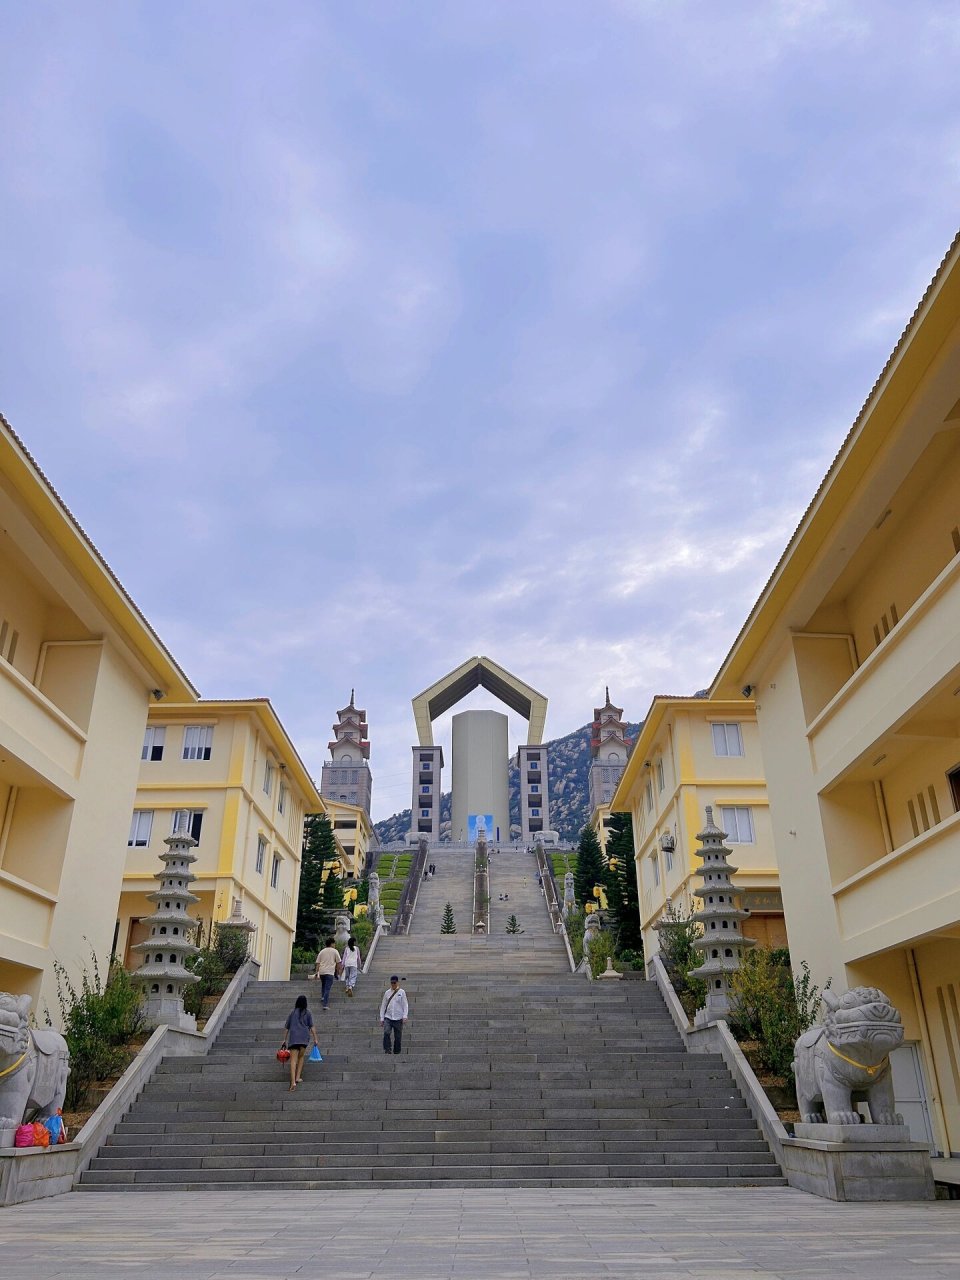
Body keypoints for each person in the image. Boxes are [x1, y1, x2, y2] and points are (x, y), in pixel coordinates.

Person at [280, 994, 319, 1090]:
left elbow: (286, 1028)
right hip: (304, 1039)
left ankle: (293, 1082)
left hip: (294, 1039)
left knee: (293, 1061)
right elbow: (312, 1027)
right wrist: (315, 1038)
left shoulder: (292, 1013)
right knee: (301, 1057)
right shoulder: (308, 1013)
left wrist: (284, 1040)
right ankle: (298, 1077)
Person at [379, 975, 408, 1055]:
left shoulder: (402, 992)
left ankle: (397, 1051)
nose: (393, 985)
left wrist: (405, 1016)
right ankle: (387, 1049)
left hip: (398, 1018)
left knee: (398, 1037)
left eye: (394, 983)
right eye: (392, 983)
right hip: (388, 1017)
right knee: (387, 1032)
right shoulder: (387, 993)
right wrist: (382, 1018)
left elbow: (405, 1004)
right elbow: (383, 1005)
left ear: (397, 983)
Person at [313, 937, 341, 1009]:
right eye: (334, 943)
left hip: (322, 972)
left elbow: (318, 963)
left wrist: (317, 972)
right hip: (330, 972)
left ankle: (323, 997)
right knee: (327, 988)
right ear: (331, 944)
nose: (334, 945)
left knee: (323, 985)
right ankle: (325, 1004)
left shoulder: (322, 951)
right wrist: (337, 972)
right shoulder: (335, 951)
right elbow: (338, 963)